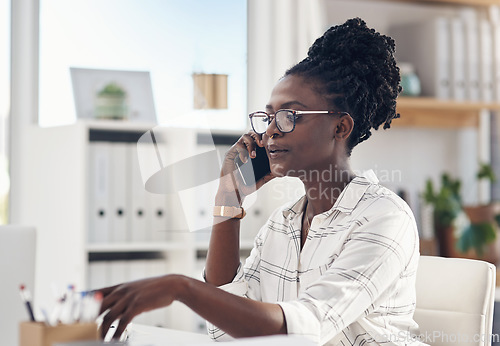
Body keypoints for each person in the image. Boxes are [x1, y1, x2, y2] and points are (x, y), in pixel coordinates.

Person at [98, 18, 424, 345]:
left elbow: (306, 329)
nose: (269, 131)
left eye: (289, 116)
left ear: (339, 128)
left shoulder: (383, 218)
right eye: (268, 117)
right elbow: (225, 331)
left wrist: (180, 288)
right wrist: (228, 196)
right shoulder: (281, 225)